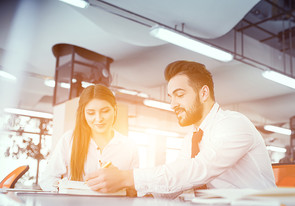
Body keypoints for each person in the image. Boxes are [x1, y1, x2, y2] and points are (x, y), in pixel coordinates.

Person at [85, 60, 276, 196]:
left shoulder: (234, 124)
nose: (172, 104)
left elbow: (198, 169)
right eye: (170, 96)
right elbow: (179, 181)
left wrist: (129, 178)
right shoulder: (191, 139)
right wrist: (134, 191)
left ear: (203, 93)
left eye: (179, 94)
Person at [40, 84, 139, 194]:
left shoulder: (129, 145)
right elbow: (47, 179)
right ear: (83, 113)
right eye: (91, 113)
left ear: (115, 110)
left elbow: (137, 187)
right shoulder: (68, 140)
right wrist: (64, 188)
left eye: (105, 111)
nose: (98, 118)